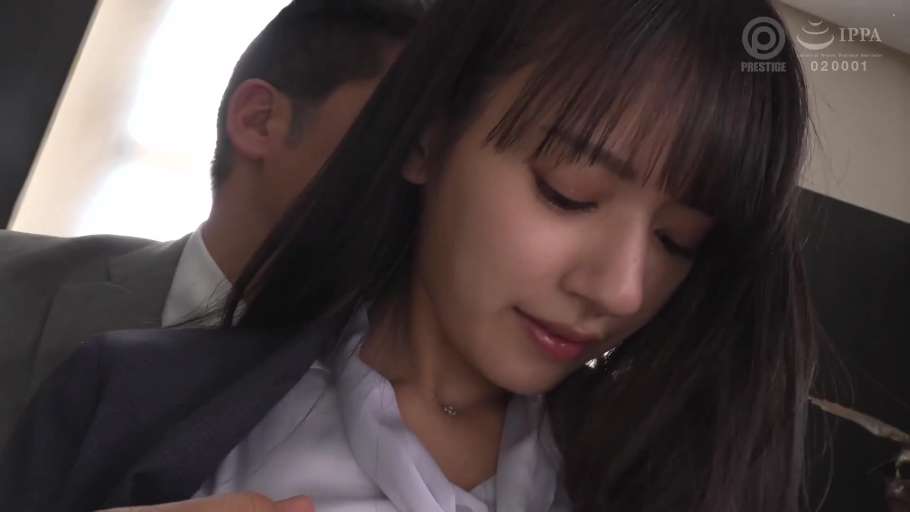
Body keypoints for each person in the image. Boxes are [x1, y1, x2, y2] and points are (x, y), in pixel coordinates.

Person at [0, 0, 819, 511]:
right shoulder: (127, 398)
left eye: (677, 240)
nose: (621, 289)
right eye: (569, 194)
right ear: (429, 138)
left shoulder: (676, 483)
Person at [0, 0, 426, 445]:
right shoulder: (11, 283)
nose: (423, 171)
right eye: (404, 131)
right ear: (259, 120)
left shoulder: (409, 420)